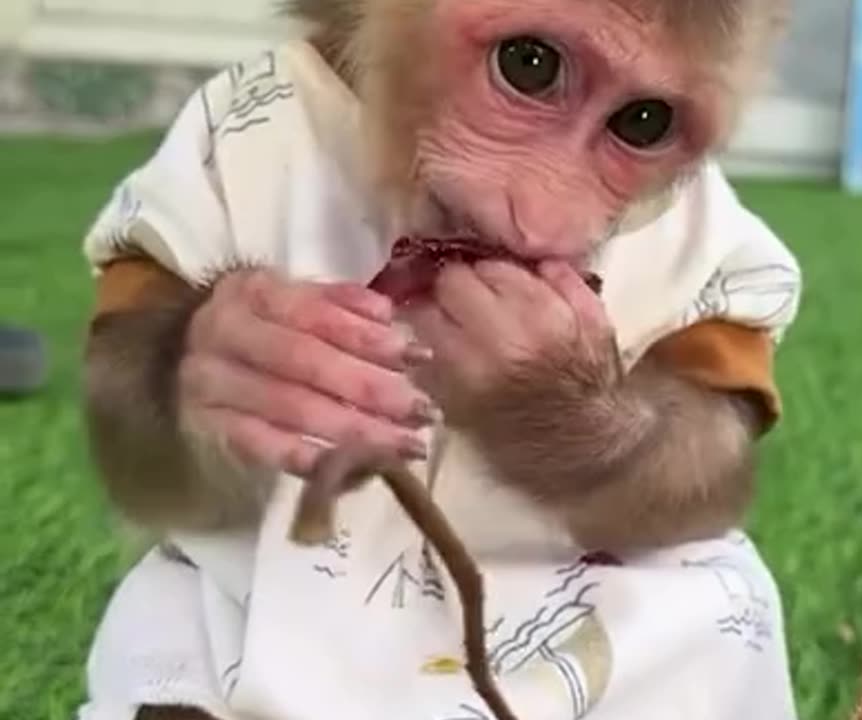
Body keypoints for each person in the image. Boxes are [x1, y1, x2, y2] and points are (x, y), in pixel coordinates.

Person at [76, 37, 804, 720]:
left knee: (714, 608)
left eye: (640, 121)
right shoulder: (252, 131)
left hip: (572, 605)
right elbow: (129, 435)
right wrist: (190, 361)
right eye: (527, 65)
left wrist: (589, 419)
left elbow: (707, 478)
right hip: (272, 577)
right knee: (181, 613)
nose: (532, 219)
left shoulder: (689, 220)